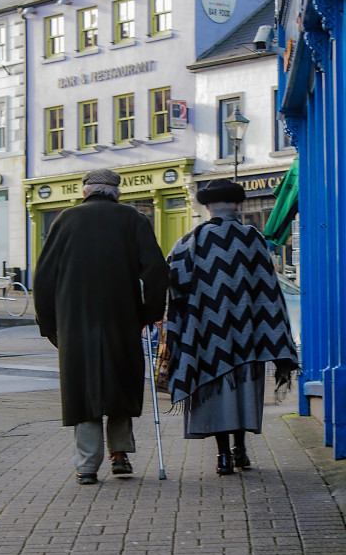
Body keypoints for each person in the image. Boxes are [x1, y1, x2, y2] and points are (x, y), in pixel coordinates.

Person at [33, 168, 169, 485]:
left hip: (75, 319)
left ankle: (87, 465)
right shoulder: (134, 220)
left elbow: (43, 278)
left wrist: (50, 324)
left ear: (84, 192)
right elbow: (156, 272)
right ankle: (120, 454)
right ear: (117, 193)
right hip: (121, 316)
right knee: (120, 381)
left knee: (83, 387)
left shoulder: (65, 220)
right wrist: (148, 314)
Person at [166, 178, 298, 475]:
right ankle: (241, 451)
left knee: (217, 395)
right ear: (238, 206)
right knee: (243, 391)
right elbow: (269, 291)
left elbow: (174, 287)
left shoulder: (189, 241)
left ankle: (223, 456)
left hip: (208, 339)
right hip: (249, 337)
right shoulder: (252, 238)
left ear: (208, 207)